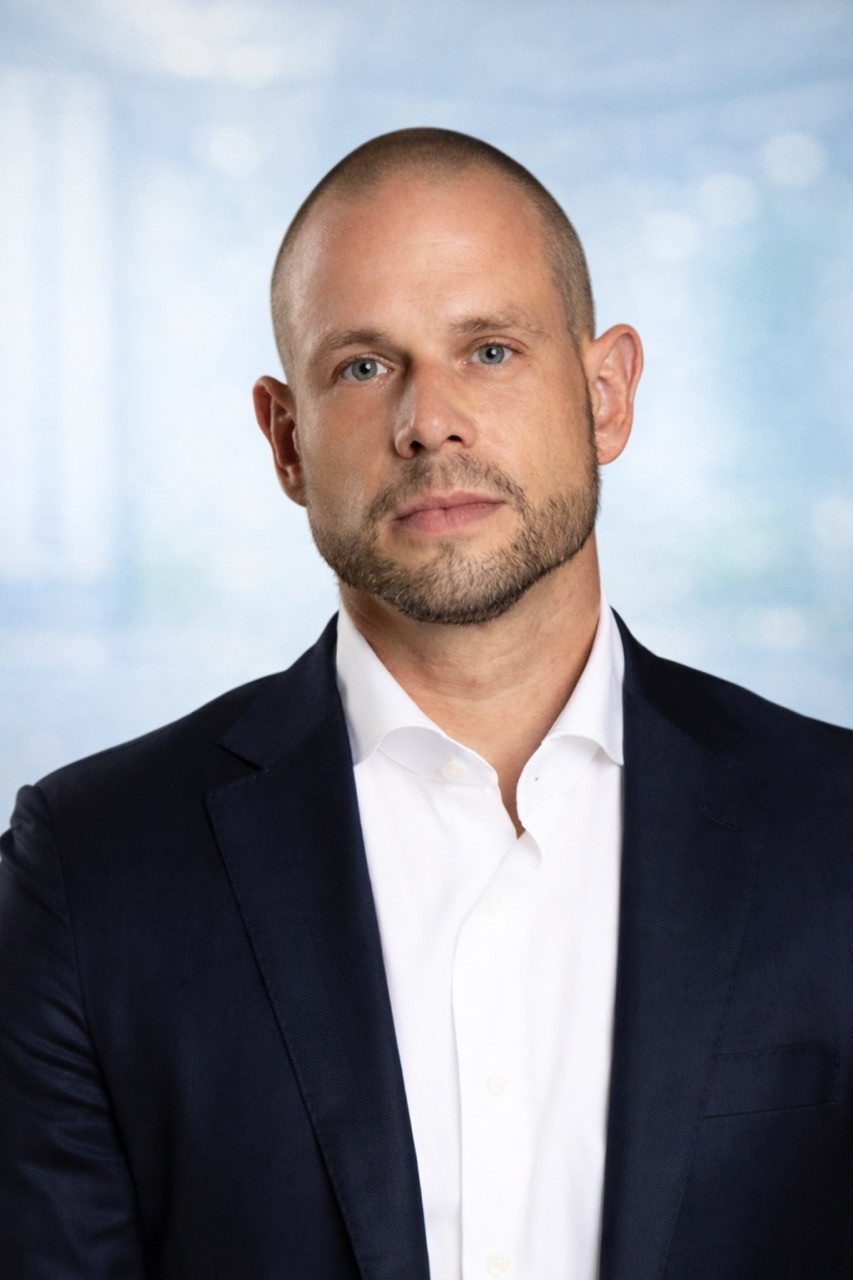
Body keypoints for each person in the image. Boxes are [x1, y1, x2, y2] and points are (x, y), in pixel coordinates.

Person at [1, 127, 851, 1280]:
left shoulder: (832, 827)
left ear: (605, 394)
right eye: (363, 366)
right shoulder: (89, 869)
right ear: (286, 439)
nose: (428, 420)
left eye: (489, 350)